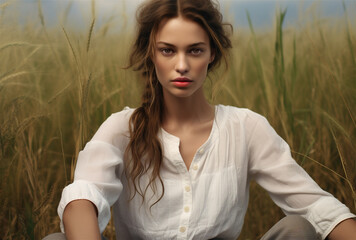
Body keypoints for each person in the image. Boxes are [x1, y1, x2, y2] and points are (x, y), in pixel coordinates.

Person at [44, 0, 356, 239]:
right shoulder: (122, 128)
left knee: (298, 229)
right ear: (151, 55)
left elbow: (317, 208)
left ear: (212, 55)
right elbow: (83, 197)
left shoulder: (246, 127)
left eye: (195, 50)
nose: (181, 65)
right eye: (167, 51)